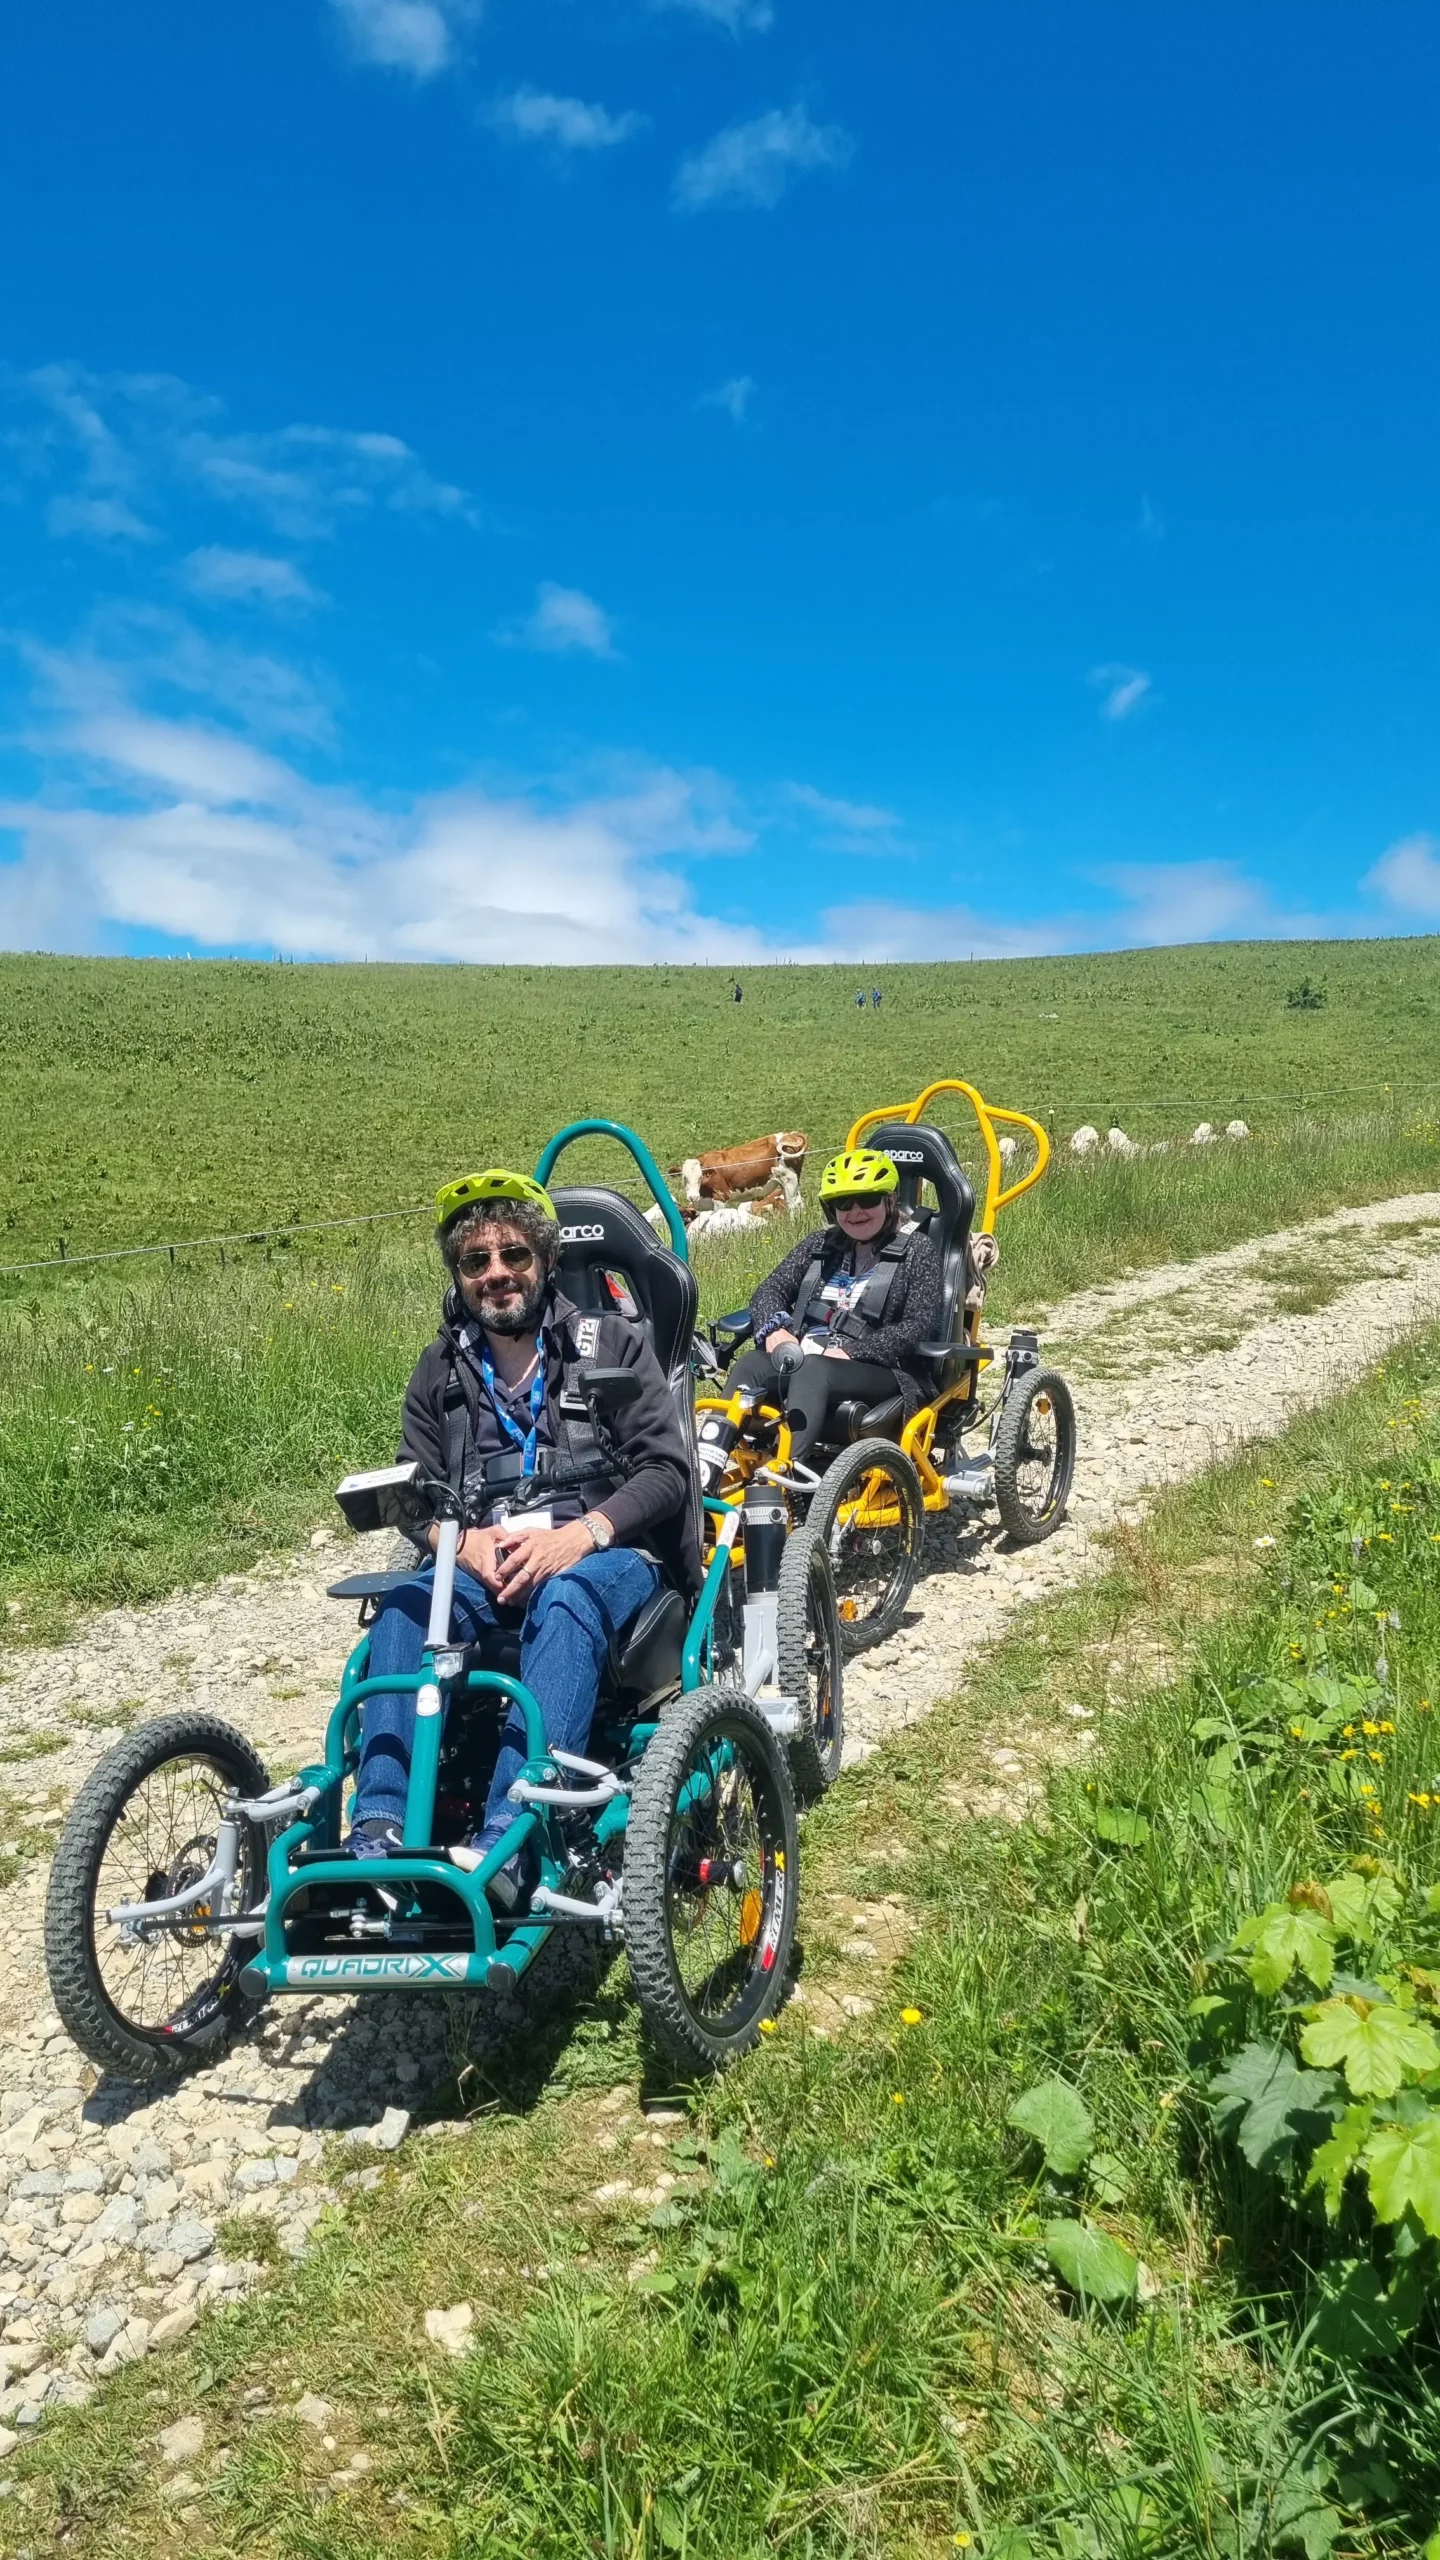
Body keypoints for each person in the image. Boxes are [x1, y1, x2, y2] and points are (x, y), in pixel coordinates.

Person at [347, 1168, 700, 1898]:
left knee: (567, 1596)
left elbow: (667, 1474)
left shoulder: (613, 1344)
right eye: (476, 1261)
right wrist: (456, 1540)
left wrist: (583, 1536)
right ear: (458, 1275)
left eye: (514, 1255)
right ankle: (376, 1829)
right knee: (409, 1605)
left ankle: (510, 1835)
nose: (496, 1274)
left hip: (607, 1555)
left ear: (544, 1261)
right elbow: (415, 1494)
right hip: (487, 1559)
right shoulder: (439, 1371)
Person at [724, 1149, 943, 1463]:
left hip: (880, 1369)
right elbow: (769, 1290)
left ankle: (788, 1479)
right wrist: (774, 1329)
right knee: (751, 1364)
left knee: (814, 1370)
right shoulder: (819, 1246)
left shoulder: (917, 1251)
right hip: (808, 1357)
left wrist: (854, 1352)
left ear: (889, 1201)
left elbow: (918, 1325)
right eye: (844, 1203)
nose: (855, 1212)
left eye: (866, 1200)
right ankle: (709, 1470)